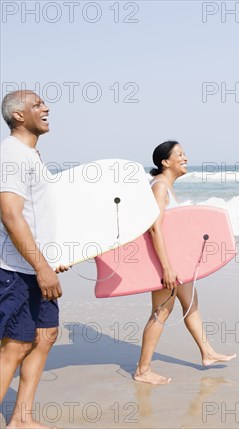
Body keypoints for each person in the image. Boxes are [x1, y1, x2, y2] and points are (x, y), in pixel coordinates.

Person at [134, 141, 236, 385]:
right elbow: (154, 229)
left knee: (191, 305)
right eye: (179, 154)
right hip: (165, 263)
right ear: (165, 162)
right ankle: (142, 370)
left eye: (184, 153)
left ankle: (208, 353)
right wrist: (167, 267)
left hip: (177, 262)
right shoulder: (159, 187)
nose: (185, 158)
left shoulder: (166, 187)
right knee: (161, 312)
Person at [0, 90, 67, 428]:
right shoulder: (12, 155)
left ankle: (21, 419)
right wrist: (41, 267)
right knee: (15, 346)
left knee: (46, 335)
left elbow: (38, 215)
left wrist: (53, 258)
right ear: (18, 116)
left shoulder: (30, 155)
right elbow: (10, 215)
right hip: (17, 270)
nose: (46, 108)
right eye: (37, 104)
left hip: (38, 267)